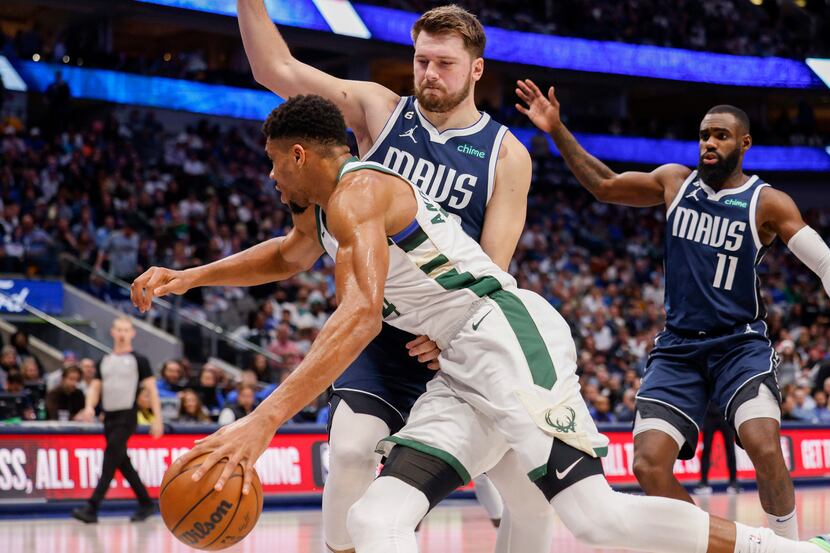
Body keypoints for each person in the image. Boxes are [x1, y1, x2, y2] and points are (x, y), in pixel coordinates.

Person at [134, 96, 829, 553]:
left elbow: (361, 313)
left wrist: (264, 418)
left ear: (298, 154)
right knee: (373, 521)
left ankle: (788, 550)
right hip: (458, 365)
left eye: (271, 166)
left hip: (505, 336)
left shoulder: (361, 192)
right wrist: (189, 275)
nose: (270, 183)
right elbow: (286, 255)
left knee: (596, 519)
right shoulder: (322, 211)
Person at [235, 3, 541, 548]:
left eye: (445, 63)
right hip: (378, 327)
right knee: (351, 451)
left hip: (453, 335)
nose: (429, 73)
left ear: (476, 70)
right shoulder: (380, 110)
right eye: (422, 60)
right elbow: (275, 70)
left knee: (526, 485)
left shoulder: (507, 154)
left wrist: (451, 333)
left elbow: (494, 262)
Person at [515, 78, 830, 541]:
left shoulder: (767, 202)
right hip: (678, 349)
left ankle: (790, 545)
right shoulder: (674, 182)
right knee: (647, 466)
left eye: (720, 136)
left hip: (739, 346)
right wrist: (557, 128)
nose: (709, 143)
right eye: (704, 134)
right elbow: (603, 185)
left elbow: (822, 260)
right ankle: (729, 546)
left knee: (763, 444)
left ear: (743, 144)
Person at [72, 317, 164, 524]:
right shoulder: (104, 360)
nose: (122, 334)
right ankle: (146, 503)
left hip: (127, 415)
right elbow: (95, 387)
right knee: (121, 461)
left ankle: (92, 507)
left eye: (126, 330)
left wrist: (158, 419)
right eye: (119, 330)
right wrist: (88, 407)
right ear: (113, 332)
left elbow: (152, 390)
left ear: (132, 333)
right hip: (109, 416)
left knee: (110, 458)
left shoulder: (139, 360)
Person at [694, 403, 739, 496]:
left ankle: (733, 482)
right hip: (709, 416)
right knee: (706, 449)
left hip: (725, 415)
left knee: (730, 449)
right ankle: (703, 483)